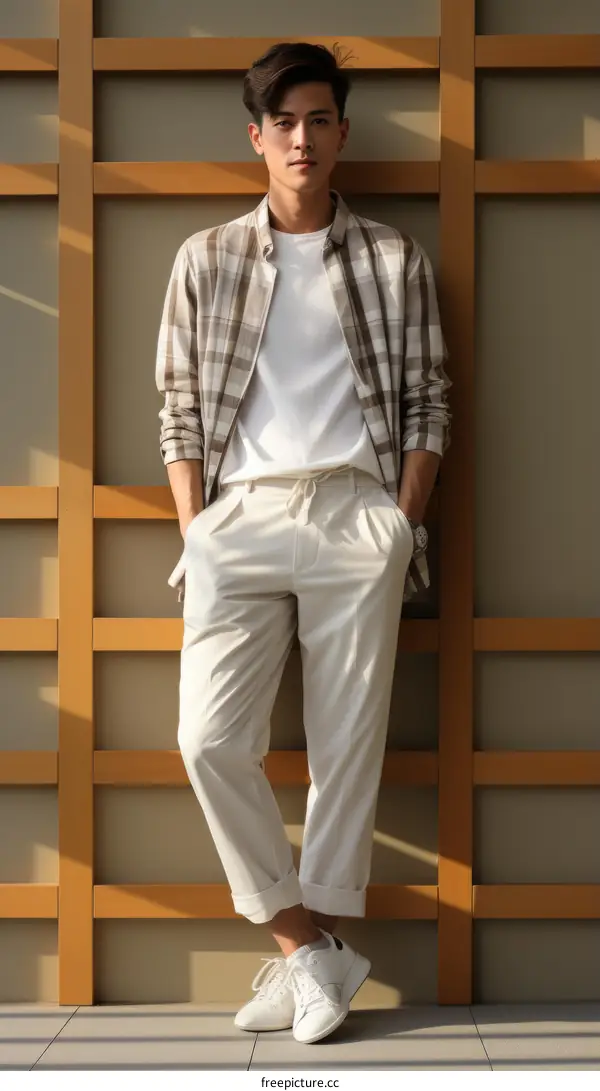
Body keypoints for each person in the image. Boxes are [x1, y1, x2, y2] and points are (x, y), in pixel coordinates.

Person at [155, 41, 451, 1045]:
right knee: (207, 740)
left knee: (345, 747)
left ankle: (310, 962)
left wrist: (401, 519)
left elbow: (430, 399)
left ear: (342, 134)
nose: (301, 139)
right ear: (257, 137)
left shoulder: (393, 260)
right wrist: (196, 527)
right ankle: (306, 946)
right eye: (283, 122)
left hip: (356, 513)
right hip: (238, 518)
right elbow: (178, 406)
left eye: (319, 120)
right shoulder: (206, 258)